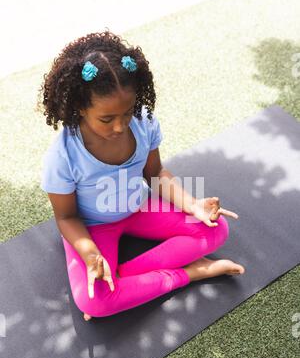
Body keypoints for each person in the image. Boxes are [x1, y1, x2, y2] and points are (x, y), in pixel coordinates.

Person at [38, 29, 245, 321]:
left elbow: (156, 173)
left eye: (128, 112)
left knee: (216, 228)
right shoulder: (63, 156)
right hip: (94, 228)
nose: (121, 126)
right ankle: (190, 273)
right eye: (107, 119)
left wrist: (193, 205)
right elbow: (67, 218)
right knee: (94, 302)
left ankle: (125, 277)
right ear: (80, 108)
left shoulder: (144, 123)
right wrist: (89, 255)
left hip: (139, 208)